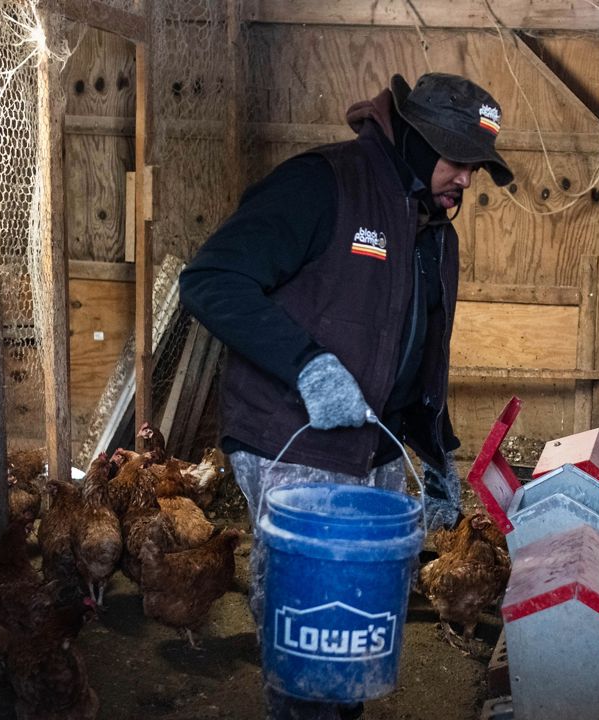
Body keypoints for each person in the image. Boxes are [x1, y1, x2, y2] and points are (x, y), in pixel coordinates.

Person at [179, 73, 513, 719]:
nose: (467, 180)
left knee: (360, 628)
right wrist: (307, 366)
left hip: (374, 453)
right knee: (309, 633)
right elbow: (211, 279)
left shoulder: (436, 231)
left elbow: (421, 353)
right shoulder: (323, 183)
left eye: (478, 166)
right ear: (415, 139)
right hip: (292, 440)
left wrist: (435, 448)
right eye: (459, 160)